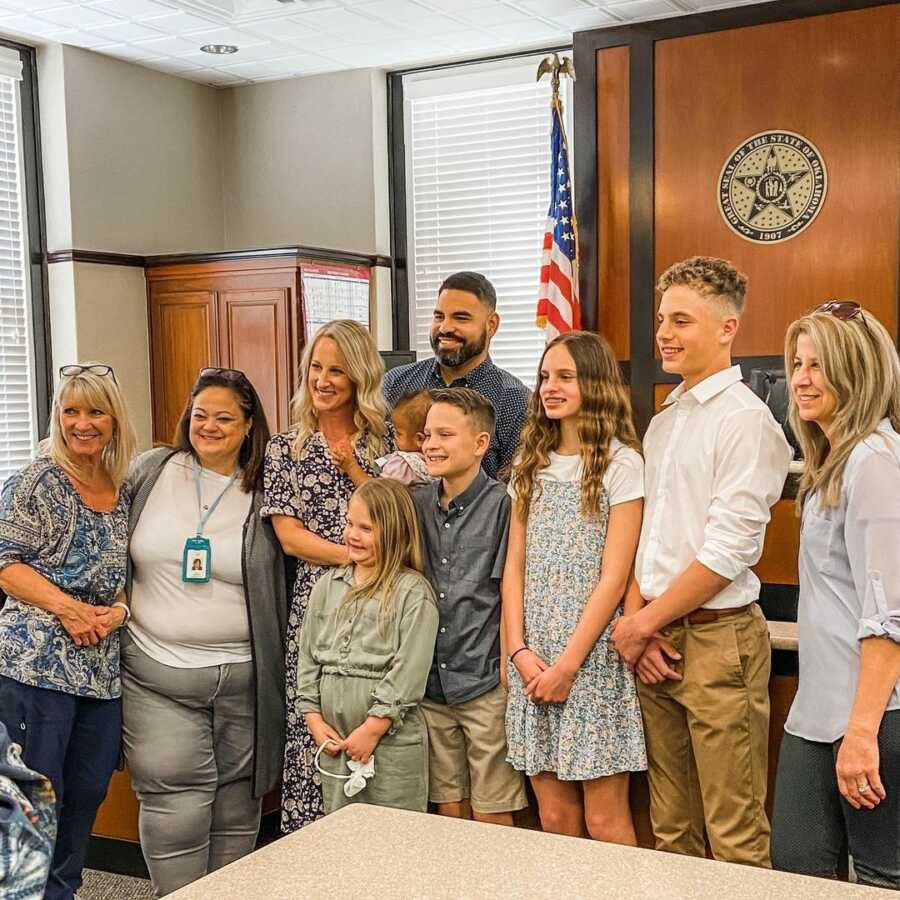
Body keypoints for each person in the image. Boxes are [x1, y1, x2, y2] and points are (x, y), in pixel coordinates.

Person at [612, 257, 791, 866]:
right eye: (663, 319)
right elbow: (653, 540)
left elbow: (726, 553)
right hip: (658, 639)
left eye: (681, 321)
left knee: (734, 835)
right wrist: (641, 624)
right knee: (671, 831)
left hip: (718, 644)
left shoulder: (746, 421)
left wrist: (640, 624)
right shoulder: (664, 422)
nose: (664, 333)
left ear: (727, 328)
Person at [121, 367, 287, 897]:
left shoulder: (267, 488)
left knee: (238, 803)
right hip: (156, 673)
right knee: (176, 801)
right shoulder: (152, 471)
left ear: (248, 426)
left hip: (246, 678)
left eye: (223, 418)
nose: (209, 426)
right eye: (200, 415)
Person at [771, 302, 900, 889]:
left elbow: (888, 616)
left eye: (819, 365)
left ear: (857, 370)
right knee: (796, 871)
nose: (800, 378)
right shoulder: (833, 461)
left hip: (873, 718)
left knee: (879, 880)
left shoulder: (876, 462)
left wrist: (863, 733)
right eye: (797, 362)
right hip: (816, 714)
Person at [0, 363, 137, 900]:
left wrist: (115, 614)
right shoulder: (37, 479)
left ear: (113, 419)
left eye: (94, 411)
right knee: (30, 807)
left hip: (100, 678)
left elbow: (122, 578)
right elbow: (5, 564)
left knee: (84, 800)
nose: (82, 422)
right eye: (70, 410)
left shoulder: (121, 485)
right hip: (34, 674)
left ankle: (64, 893)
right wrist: (68, 608)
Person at [505, 332, 647, 843]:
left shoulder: (621, 463)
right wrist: (518, 650)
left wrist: (568, 664)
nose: (550, 387)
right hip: (534, 654)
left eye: (565, 376)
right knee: (554, 820)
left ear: (595, 383)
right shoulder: (530, 463)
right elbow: (514, 567)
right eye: (545, 376)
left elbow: (615, 576)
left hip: (589, 660)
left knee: (605, 819)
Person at [263, 319, 394, 832]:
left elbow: (400, 525)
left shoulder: (385, 449)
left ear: (359, 376)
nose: (323, 379)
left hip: (381, 609)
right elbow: (290, 538)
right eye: (316, 367)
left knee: (372, 719)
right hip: (314, 605)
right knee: (313, 719)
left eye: (337, 370)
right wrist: (356, 559)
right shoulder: (285, 448)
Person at [412, 388, 527, 826]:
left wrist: (505, 665)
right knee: (447, 808)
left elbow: (509, 591)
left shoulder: (504, 505)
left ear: (481, 443)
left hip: (483, 680)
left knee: (492, 809)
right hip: (431, 683)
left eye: (445, 434)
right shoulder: (417, 502)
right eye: (427, 435)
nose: (432, 445)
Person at [297, 479, 438, 814]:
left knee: (392, 835)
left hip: (390, 738)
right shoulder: (327, 586)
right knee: (341, 832)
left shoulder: (412, 592)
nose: (352, 535)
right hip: (335, 739)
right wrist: (314, 719)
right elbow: (307, 658)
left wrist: (374, 727)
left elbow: (410, 668)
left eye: (366, 528)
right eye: (349, 523)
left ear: (394, 533)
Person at [383, 271, 529, 480]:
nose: (445, 327)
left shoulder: (515, 401)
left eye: (461, 318)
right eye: (439, 316)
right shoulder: (396, 383)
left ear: (491, 325)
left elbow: (516, 492)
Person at [378, 390, 432, 486]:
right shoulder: (434, 463)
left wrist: (352, 467)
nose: (395, 436)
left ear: (419, 439)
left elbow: (381, 492)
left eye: (399, 433)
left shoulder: (402, 464)